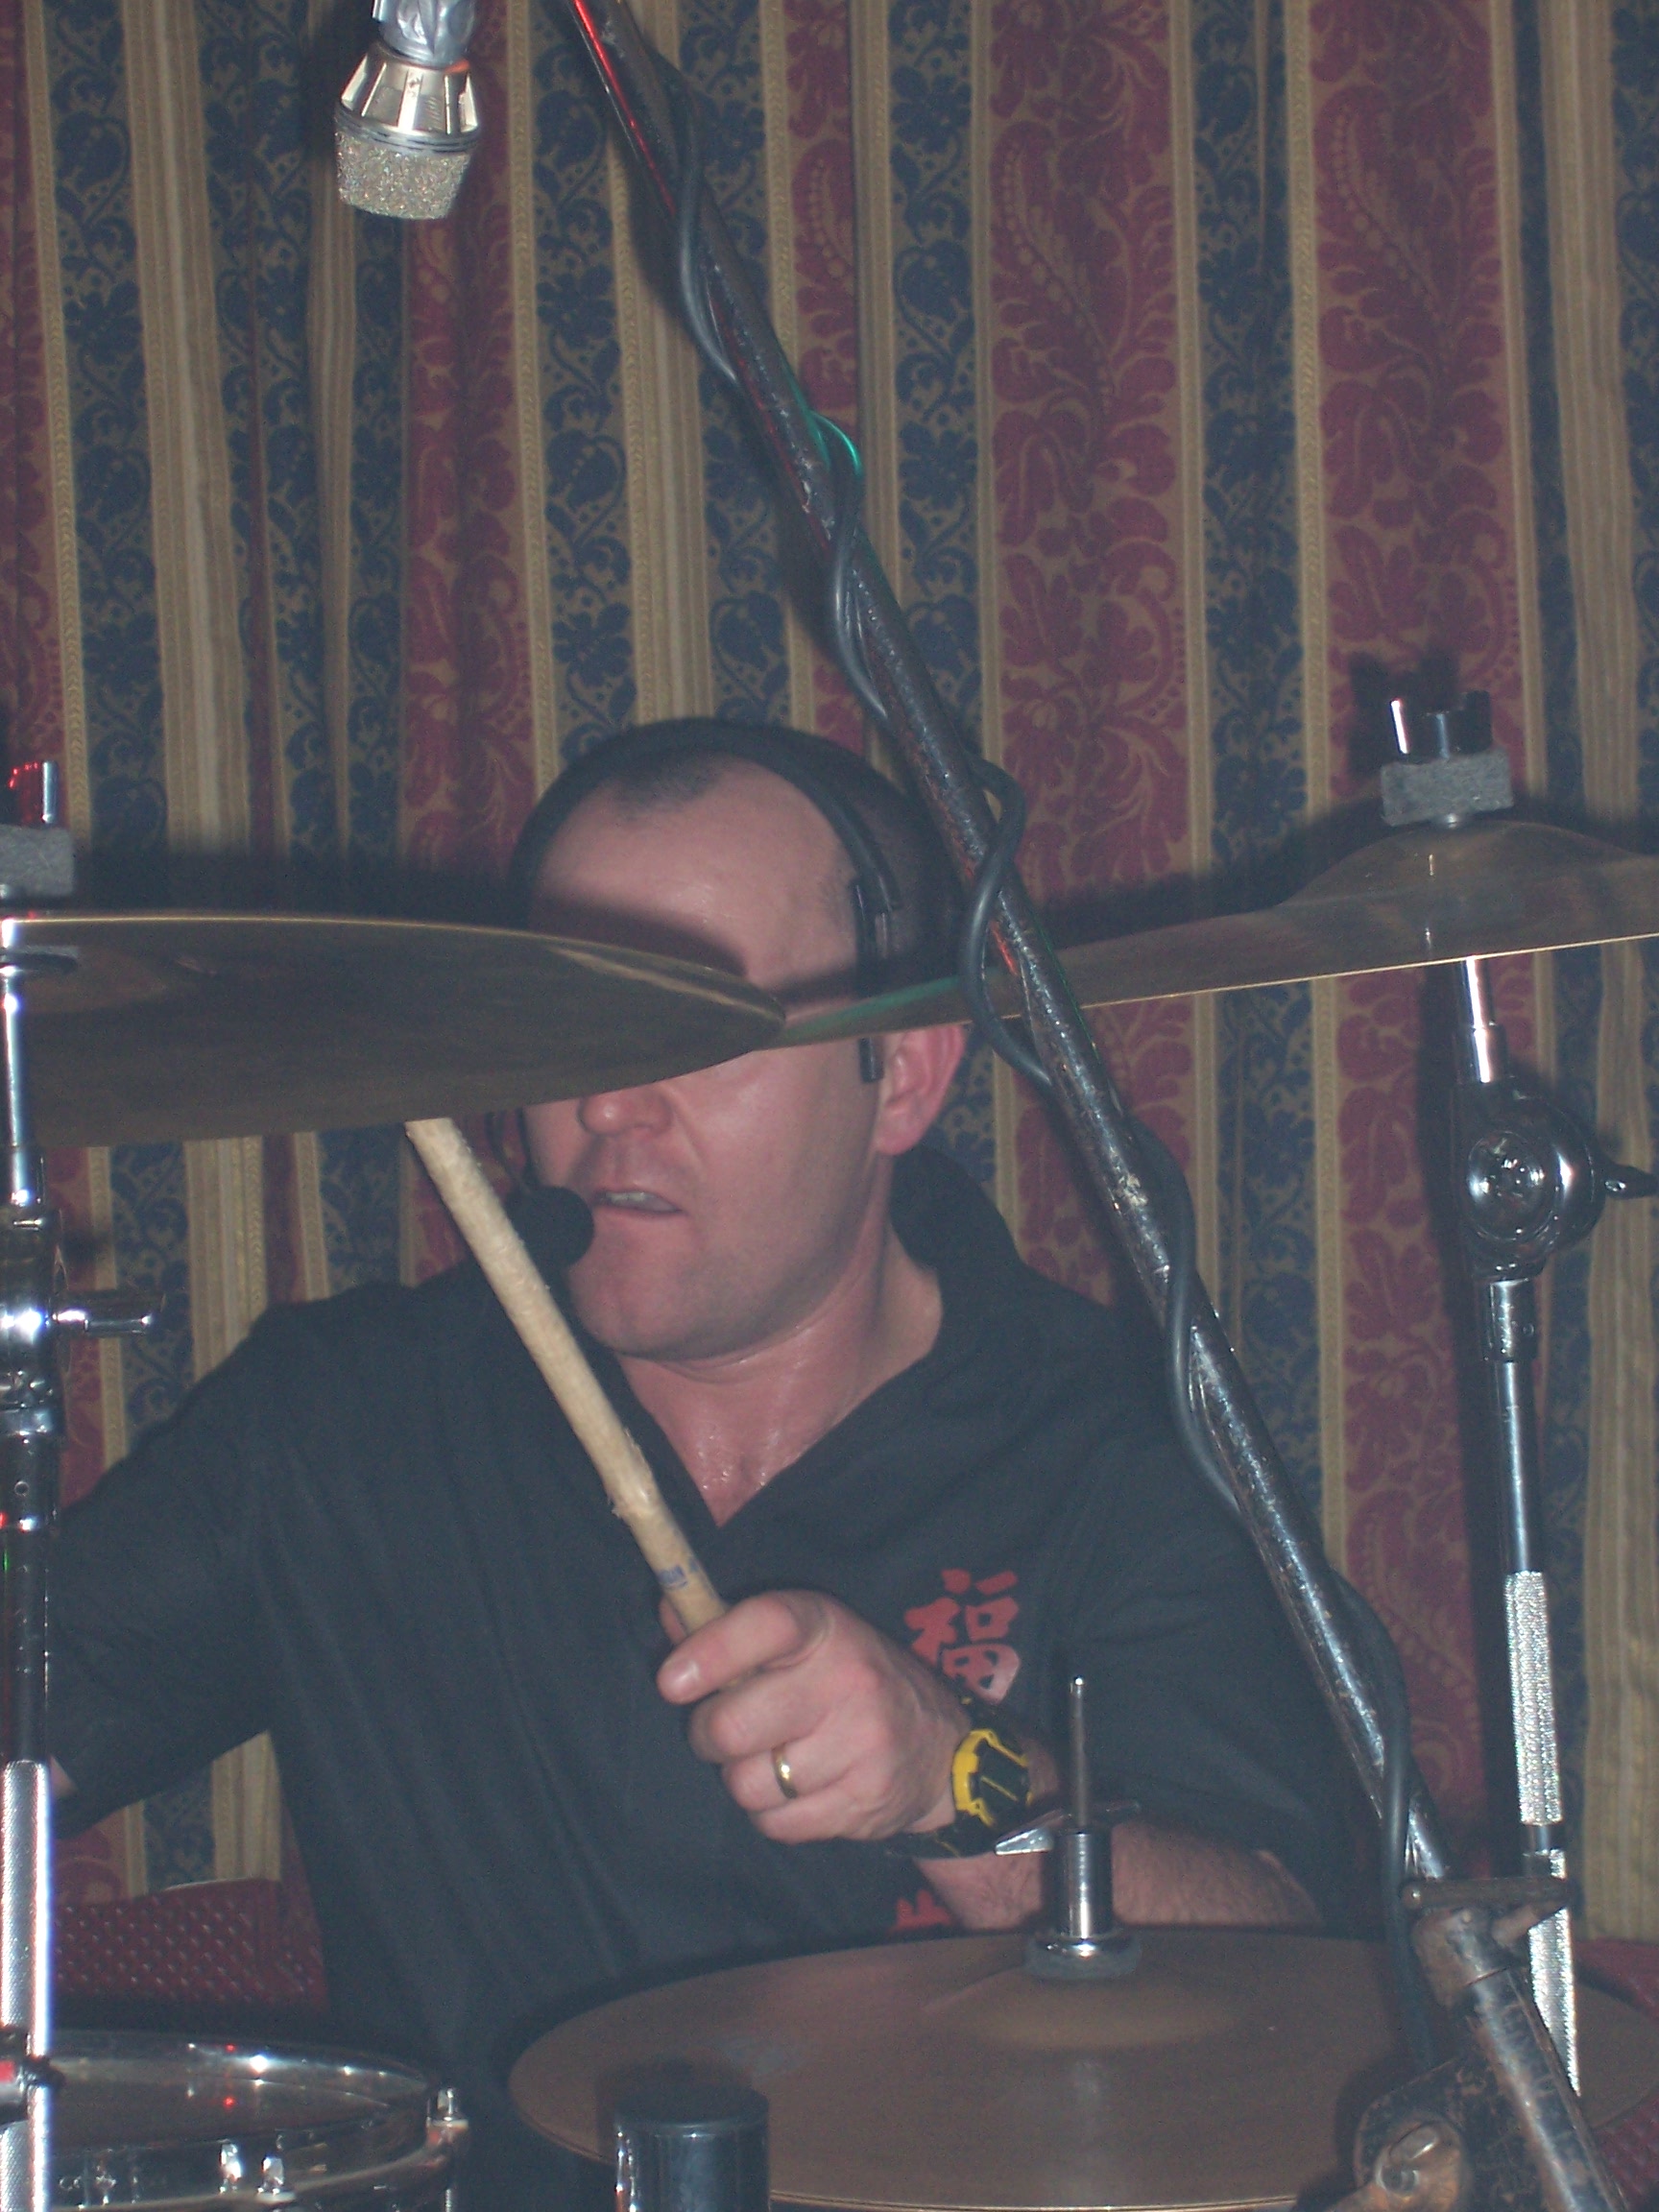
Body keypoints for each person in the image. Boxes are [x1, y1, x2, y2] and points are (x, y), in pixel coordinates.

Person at [49, 721, 1344, 2209]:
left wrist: (957, 1777)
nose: (611, 1108)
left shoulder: (1116, 1447)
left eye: (702, 1033)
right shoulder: (340, 1423)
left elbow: (1284, 1966)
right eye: (578, 1027)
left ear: (902, 1078)